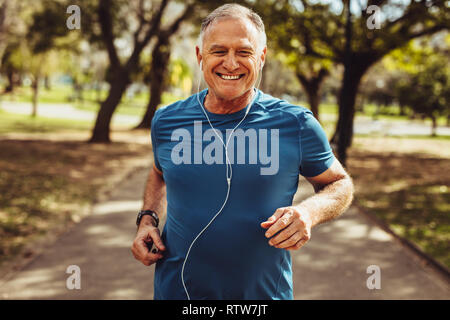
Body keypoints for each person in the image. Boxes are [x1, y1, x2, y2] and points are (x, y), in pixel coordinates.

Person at [131, 3, 354, 300]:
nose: (231, 63)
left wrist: (308, 212)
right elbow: (159, 173)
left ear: (261, 58)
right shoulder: (167, 121)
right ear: (200, 56)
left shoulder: (296, 123)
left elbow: (340, 183)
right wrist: (147, 220)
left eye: (244, 52)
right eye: (219, 51)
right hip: (176, 293)